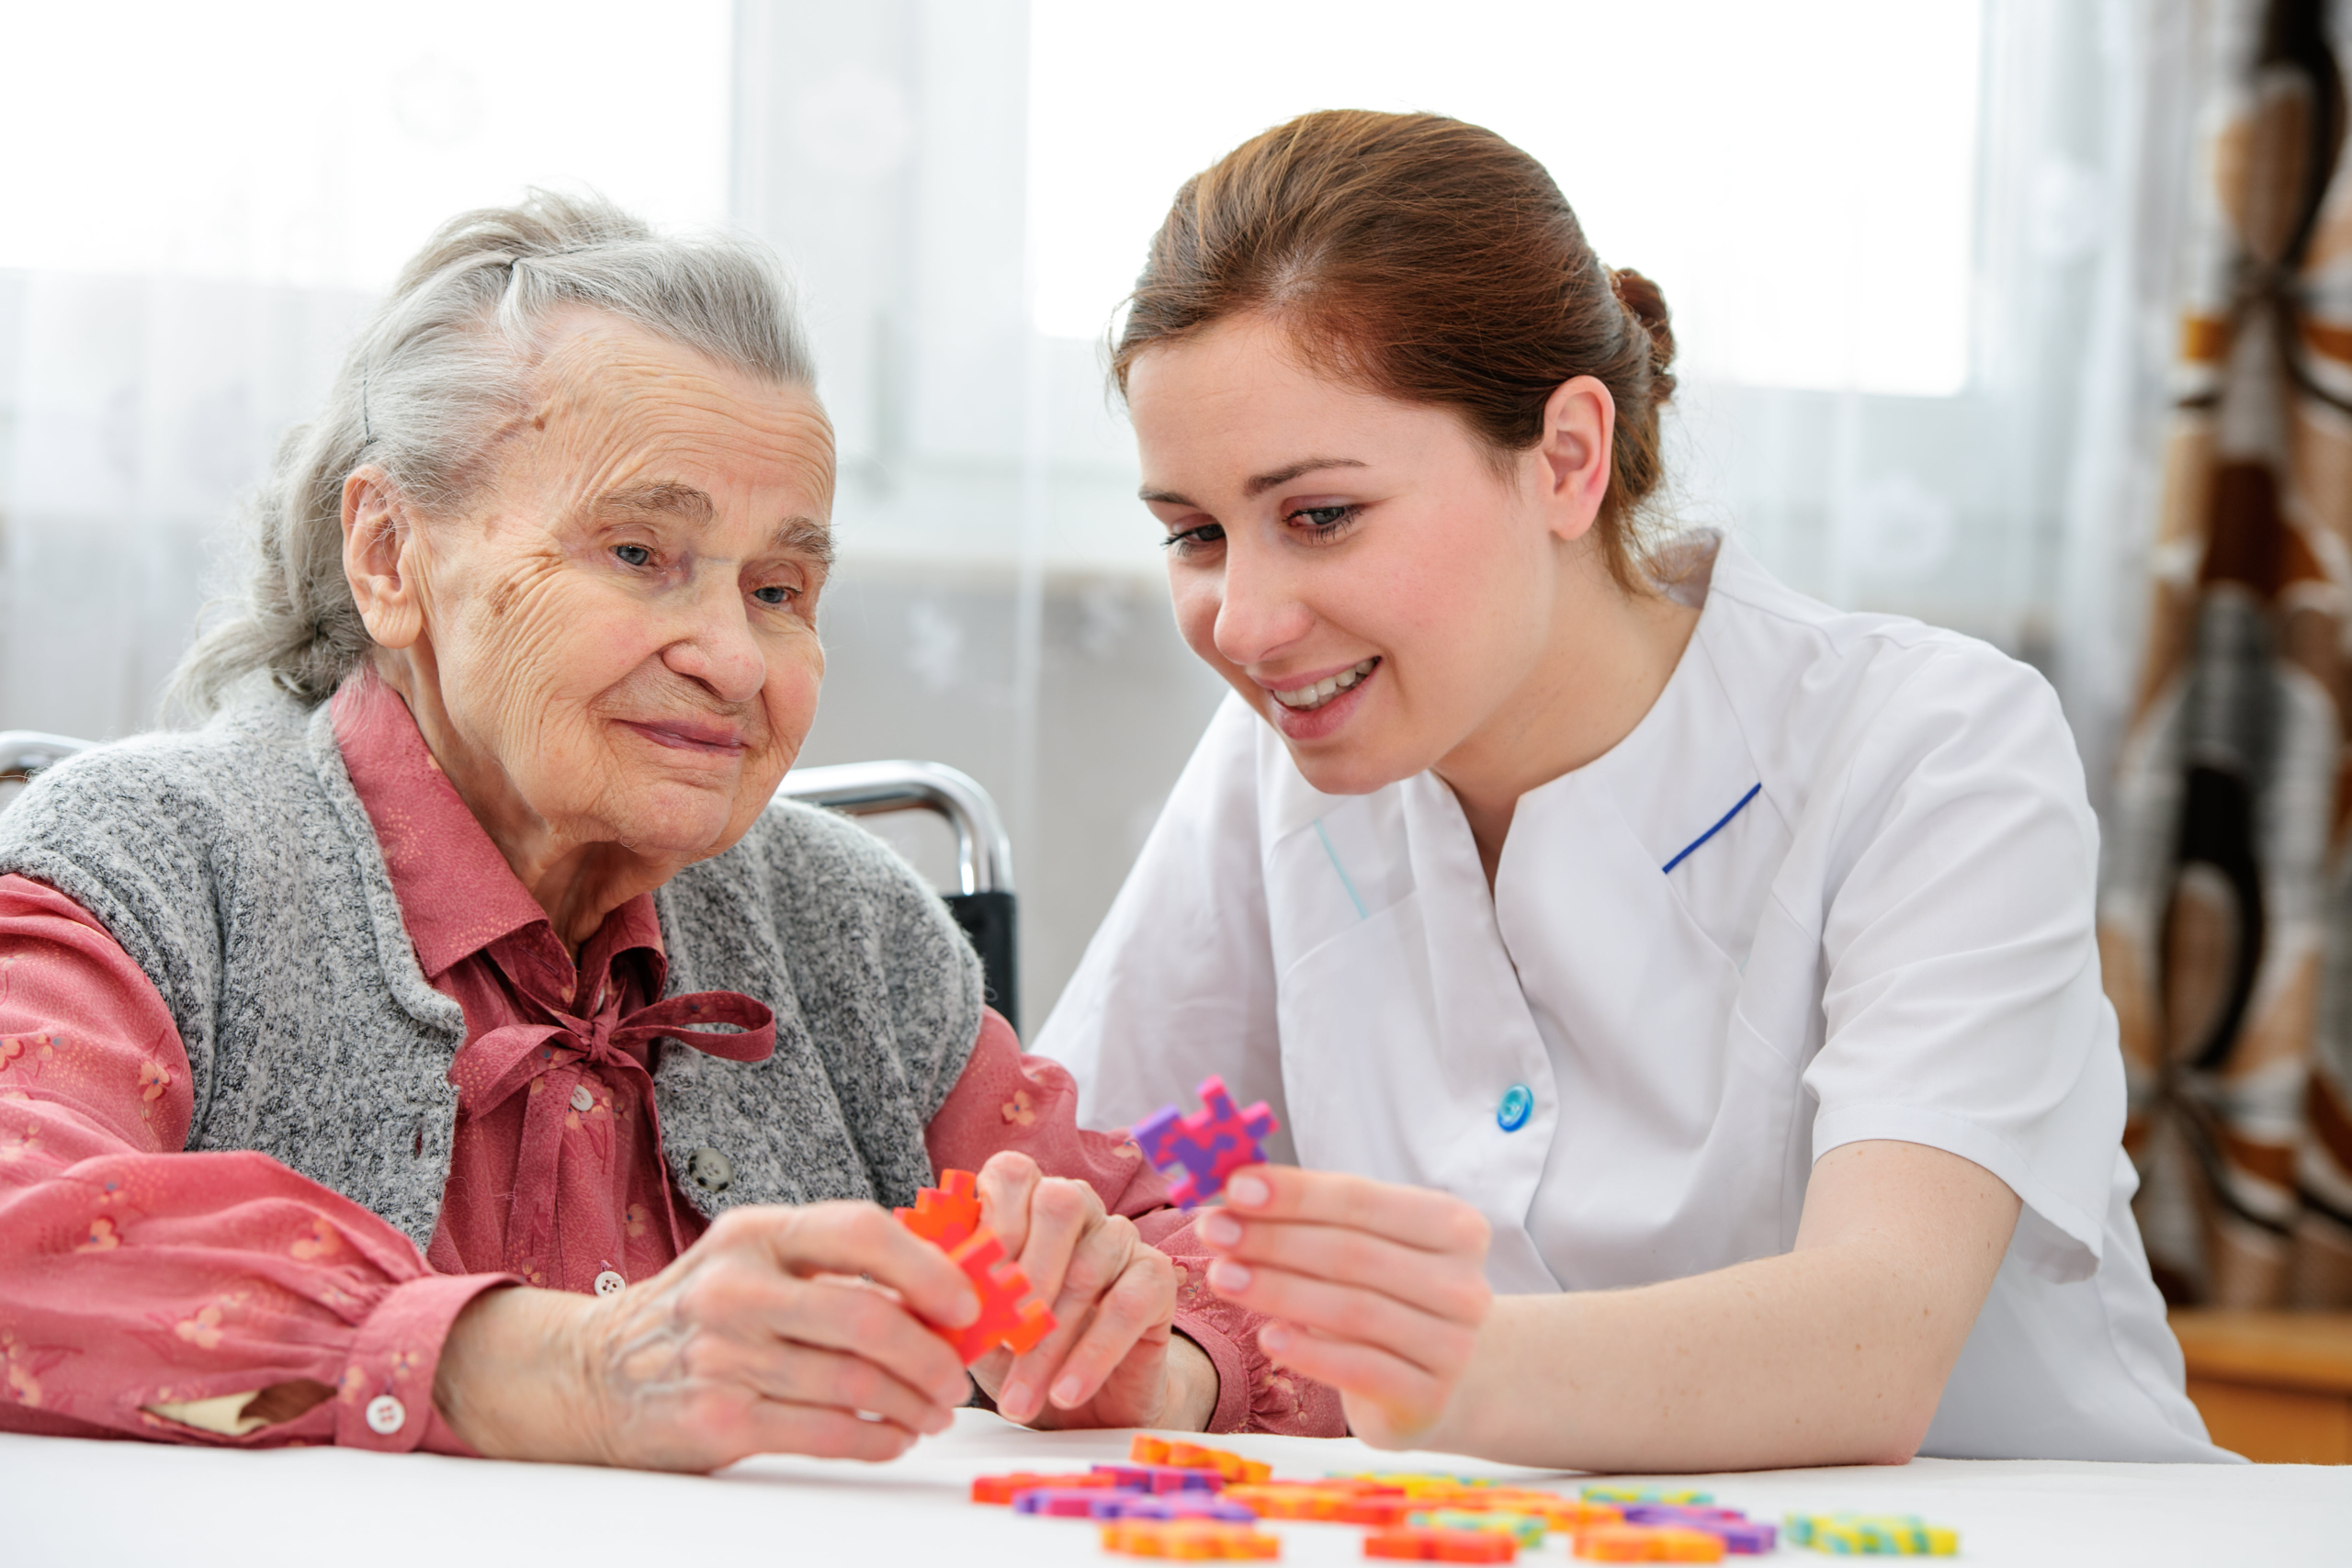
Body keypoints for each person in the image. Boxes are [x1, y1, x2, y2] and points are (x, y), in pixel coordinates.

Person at [0, 194, 1332, 1466]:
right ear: (392, 557)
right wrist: (566, 1366)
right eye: (639, 553)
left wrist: (1150, 1355)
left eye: (778, 587)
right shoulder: (150, 864)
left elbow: (1254, 1285)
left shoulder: (855, 934)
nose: (735, 660)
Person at [1039, 110, 2230, 1469]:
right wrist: (1095, 1323)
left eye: (1320, 515)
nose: (1244, 625)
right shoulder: (1283, 756)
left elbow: (1872, 1345)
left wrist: (1400, 1368)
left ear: (1565, 458)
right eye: (1193, 533)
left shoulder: (1935, 748)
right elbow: (1103, 1190)